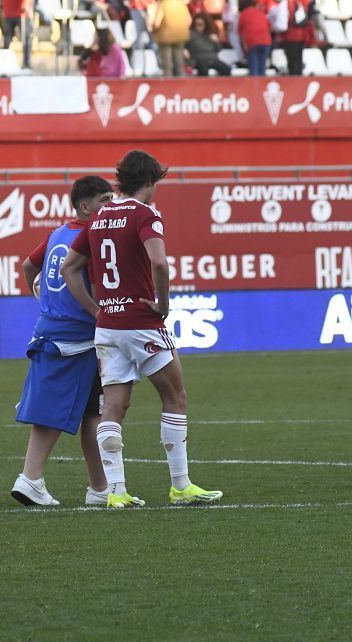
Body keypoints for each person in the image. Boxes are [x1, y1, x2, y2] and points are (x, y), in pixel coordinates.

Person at [61, 150, 223, 508]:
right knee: (175, 397)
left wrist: (97, 308)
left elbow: (69, 268)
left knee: (114, 407)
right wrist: (163, 305)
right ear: (149, 182)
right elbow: (159, 263)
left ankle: (116, 492)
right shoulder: (146, 213)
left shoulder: (100, 215)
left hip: (108, 327)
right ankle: (180, 486)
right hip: (141, 323)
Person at [11, 176, 115, 507]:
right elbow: (93, 285)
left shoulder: (58, 233)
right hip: (77, 339)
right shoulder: (91, 235)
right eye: (103, 200)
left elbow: (29, 266)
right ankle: (31, 478)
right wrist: (99, 312)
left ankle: (99, 489)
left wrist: (38, 296)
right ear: (85, 206)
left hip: (54, 332)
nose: (110, 206)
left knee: (91, 413)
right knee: (64, 412)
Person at [150, 0, 191, 77]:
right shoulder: (181, 3)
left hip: (165, 36)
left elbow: (156, 23)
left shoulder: (163, 4)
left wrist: (153, 30)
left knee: (167, 62)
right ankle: (181, 79)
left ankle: (168, 82)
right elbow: (189, 20)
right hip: (180, 35)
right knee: (179, 60)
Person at [278, 0, 314, 76]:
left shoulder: (286, 3)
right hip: (301, 36)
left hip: (290, 36)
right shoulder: (298, 2)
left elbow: (282, 24)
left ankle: (294, 83)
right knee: (298, 62)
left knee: (292, 63)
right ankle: (298, 82)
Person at [237, 0, 271, 76]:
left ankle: (255, 86)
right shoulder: (260, 12)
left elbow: (239, 32)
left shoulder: (243, 14)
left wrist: (243, 47)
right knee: (262, 67)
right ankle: (262, 85)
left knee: (253, 67)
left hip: (252, 41)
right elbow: (269, 26)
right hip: (265, 41)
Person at [128, 0, 159, 75]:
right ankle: (137, 66)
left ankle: (157, 64)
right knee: (138, 41)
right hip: (137, 8)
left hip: (150, 8)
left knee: (153, 40)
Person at [1, 0, 33, 70]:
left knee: (26, 38)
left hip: (20, 11)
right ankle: (3, 61)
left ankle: (26, 63)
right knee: (8, 38)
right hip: (12, 11)